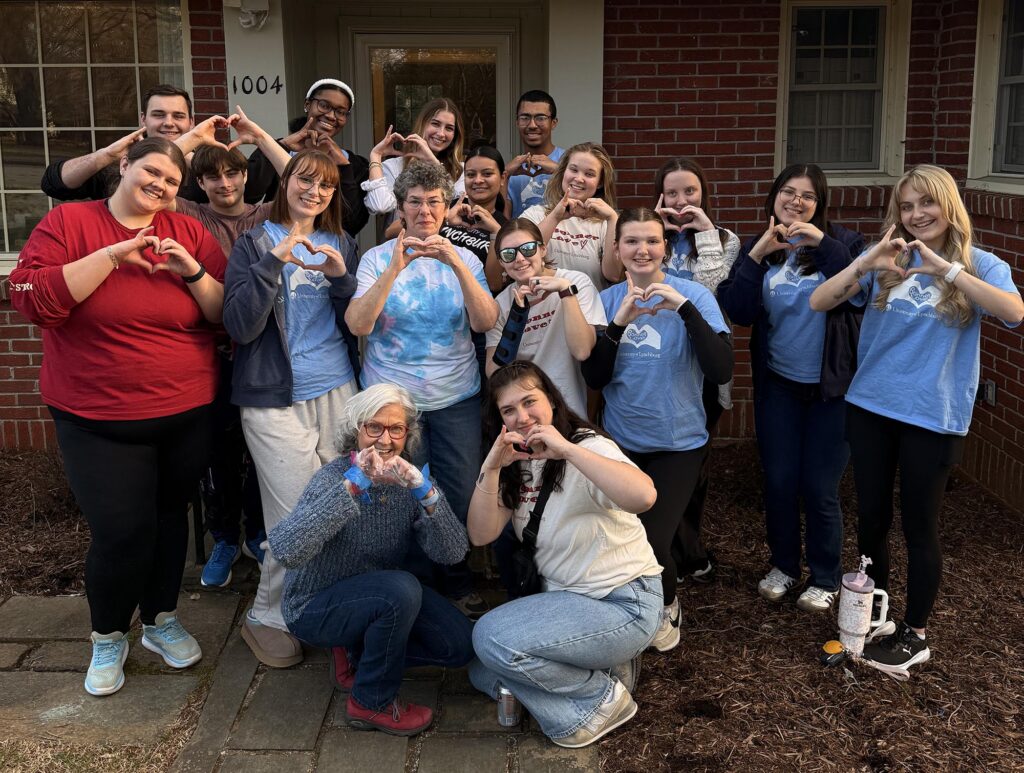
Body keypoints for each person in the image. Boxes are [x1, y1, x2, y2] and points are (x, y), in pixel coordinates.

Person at [10, 137, 226, 696]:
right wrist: (112, 256)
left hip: (185, 407)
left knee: (170, 517)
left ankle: (159, 619)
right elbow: (34, 298)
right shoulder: (70, 223)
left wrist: (192, 272)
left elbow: (223, 312)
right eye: (150, 171)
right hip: (96, 413)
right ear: (124, 167)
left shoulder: (189, 233)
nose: (160, 184)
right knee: (121, 530)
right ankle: (108, 634)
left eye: (171, 180)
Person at [810, 164, 1023, 669]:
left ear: (948, 206)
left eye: (925, 203)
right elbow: (821, 300)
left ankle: (915, 632)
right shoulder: (888, 260)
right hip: (871, 407)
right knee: (872, 518)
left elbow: (1014, 311)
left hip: (933, 414)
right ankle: (876, 607)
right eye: (906, 206)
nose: (916, 214)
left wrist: (948, 270)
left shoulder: (979, 263)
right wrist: (866, 262)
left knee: (919, 524)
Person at [467, 361, 662, 748]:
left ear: (551, 401)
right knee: (480, 669)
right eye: (509, 410)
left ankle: (598, 701)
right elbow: (480, 533)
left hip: (623, 603)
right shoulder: (517, 461)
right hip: (568, 604)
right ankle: (601, 670)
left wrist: (568, 450)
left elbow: (644, 496)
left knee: (491, 639)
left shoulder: (589, 447)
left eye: (529, 402)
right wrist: (490, 469)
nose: (522, 417)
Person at [268, 383, 474, 735]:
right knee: (401, 588)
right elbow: (286, 550)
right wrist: (353, 485)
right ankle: (370, 702)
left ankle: (361, 657)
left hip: (376, 599)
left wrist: (425, 492)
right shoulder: (332, 479)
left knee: (458, 644)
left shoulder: (409, 481)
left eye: (396, 429)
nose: (385, 439)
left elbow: (452, 552)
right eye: (374, 427)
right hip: (314, 606)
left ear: (408, 435)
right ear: (356, 431)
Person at [223, 149, 361, 668]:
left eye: (325, 185)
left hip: (337, 391)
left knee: (340, 507)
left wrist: (343, 279)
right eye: (305, 180)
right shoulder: (253, 242)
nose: (315, 192)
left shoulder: (342, 241)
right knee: (294, 515)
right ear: (286, 182)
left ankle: (318, 605)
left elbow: (356, 323)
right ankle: (266, 615)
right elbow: (240, 327)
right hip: (274, 398)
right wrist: (272, 263)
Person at [345, 160, 498, 618]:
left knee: (454, 491)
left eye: (435, 202)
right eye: (415, 202)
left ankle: (455, 580)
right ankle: (412, 586)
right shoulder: (376, 258)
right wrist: (395, 266)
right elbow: (358, 323)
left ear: (447, 206)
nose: (425, 211)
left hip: (455, 397)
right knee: (397, 492)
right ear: (401, 206)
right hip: (395, 404)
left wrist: (454, 261)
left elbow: (485, 321)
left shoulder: (466, 258)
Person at [582, 208, 733, 652]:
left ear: (665, 246)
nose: (642, 249)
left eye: (651, 240)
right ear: (617, 250)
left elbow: (721, 367)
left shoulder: (694, 296)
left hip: (678, 443)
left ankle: (665, 604)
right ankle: (627, 607)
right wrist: (618, 323)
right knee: (618, 535)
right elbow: (595, 377)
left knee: (650, 539)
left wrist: (683, 310)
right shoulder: (606, 299)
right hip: (621, 441)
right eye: (631, 241)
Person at [717, 164, 864, 612]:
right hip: (778, 385)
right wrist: (758, 253)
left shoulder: (845, 243)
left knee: (819, 487)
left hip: (831, 391)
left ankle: (825, 576)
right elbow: (738, 310)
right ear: (774, 198)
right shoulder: (760, 249)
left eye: (807, 196)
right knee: (779, 481)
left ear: (820, 204)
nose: (795, 202)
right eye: (787, 192)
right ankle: (784, 566)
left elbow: (857, 287)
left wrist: (819, 241)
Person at [170, 108, 293, 587]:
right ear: (200, 182)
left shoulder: (265, 216)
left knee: (261, 451)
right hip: (210, 353)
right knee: (219, 453)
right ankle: (224, 535)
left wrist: (257, 134)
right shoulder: (190, 213)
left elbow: (297, 176)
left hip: (261, 353)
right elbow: (153, 177)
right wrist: (190, 140)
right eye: (213, 176)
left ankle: (259, 534)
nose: (224, 183)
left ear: (245, 175)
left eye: (232, 172)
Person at [653, 157, 741, 583]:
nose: (681, 201)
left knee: (693, 464)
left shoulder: (724, 239)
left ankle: (687, 548)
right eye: (672, 193)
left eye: (690, 192)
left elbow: (710, 289)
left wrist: (704, 233)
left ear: (703, 193)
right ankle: (658, 547)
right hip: (653, 367)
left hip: (700, 370)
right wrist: (656, 231)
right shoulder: (651, 238)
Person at [486, 218, 605, 417]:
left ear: (543, 249)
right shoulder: (501, 304)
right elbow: (493, 372)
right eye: (509, 254)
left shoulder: (576, 282)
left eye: (528, 249)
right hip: (526, 413)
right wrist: (517, 316)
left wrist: (565, 292)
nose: (520, 258)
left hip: (572, 408)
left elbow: (582, 351)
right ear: (501, 262)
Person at [238, 79, 370, 238]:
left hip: (328, 252)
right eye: (324, 105)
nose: (331, 116)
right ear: (308, 104)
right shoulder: (280, 150)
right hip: (276, 244)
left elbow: (352, 224)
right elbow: (248, 194)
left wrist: (343, 165)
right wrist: (282, 146)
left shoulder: (355, 165)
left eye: (340, 112)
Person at [40, 84, 195, 201]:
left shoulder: (208, 164)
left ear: (191, 122)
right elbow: (52, 185)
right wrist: (106, 155)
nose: (168, 122)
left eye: (178, 116)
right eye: (158, 115)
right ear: (143, 119)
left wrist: (192, 159)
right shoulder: (119, 161)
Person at [518, 142, 621, 289]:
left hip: (587, 309)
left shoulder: (606, 223)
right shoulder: (535, 214)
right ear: (563, 173)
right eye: (573, 170)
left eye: (589, 174)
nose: (579, 178)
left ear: (599, 183)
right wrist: (555, 217)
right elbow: (521, 252)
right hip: (542, 308)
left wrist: (612, 218)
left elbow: (613, 275)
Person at [362, 98, 467, 232]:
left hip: (446, 247)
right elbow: (380, 205)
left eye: (449, 128)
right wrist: (375, 155)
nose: (441, 133)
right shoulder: (394, 166)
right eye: (435, 124)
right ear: (422, 124)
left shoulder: (463, 170)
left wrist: (433, 163)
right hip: (400, 248)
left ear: (455, 135)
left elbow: (450, 207)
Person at [440, 146, 508, 265]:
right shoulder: (445, 206)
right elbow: (402, 229)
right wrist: (443, 220)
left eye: (487, 174)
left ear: (502, 178)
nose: (478, 180)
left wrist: (496, 233)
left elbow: (494, 283)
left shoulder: (505, 229)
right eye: (471, 175)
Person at [505, 90, 564, 219]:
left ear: (553, 123)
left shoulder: (569, 161)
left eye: (540, 118)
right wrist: (504, 174)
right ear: (517, 122)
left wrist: (559, 170)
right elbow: (502, 219)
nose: (532, 125)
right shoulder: (512, 170)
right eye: (525, 118)